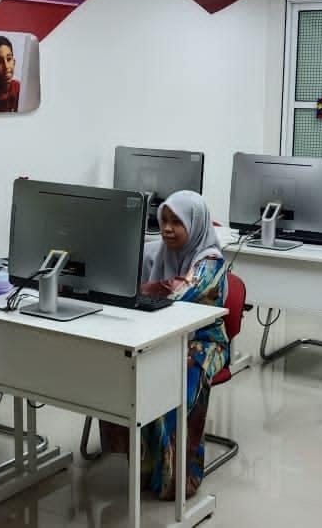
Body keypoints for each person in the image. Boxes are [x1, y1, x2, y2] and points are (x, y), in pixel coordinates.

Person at [100, 190, 229, 500]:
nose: (168, 229)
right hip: (159, 334)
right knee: (126, 367)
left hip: (204, 343)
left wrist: (130, 289)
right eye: (164, 221)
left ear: (195, 224)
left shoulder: (211, 260)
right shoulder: (159, 253)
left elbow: (178, 291)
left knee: (175, 377)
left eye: (177, 222)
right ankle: (146, 467)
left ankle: (180, 477)